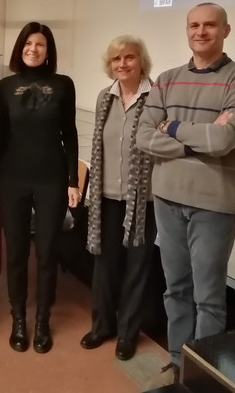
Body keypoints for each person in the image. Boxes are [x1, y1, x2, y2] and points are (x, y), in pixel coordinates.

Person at [136, 3, 235, 386]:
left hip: (214, 206)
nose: (201, 31)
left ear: (226, 29)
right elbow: (143, 136)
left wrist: (171, 125)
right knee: (176, 290)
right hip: (169, 199)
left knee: (208, 298)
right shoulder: (167, 79)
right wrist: (197, 139)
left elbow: (224, 139)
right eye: (194, 25)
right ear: (186, 30)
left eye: (210, 25)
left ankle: (203, 377)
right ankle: (178, 367)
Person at [0, 22, 79, 354]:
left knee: (46, 252)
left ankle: (42, 319)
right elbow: (2, 135)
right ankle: (18, 318)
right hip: (13, 177)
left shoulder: (63, 84)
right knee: (15, 252)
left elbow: (69, 133)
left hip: (52, 177)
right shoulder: (6, 85)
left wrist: (72, 180)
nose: (33, 49)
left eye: (40, 44)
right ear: (19, 48)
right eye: (28, 43)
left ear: (48, 50)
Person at [80, 36, 157, 361]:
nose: (123, 64)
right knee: (105, 265)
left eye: (129, 57)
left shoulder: (156, 98)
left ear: (142, 62)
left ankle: (127, 333)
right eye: (117, 59)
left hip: (143, 201)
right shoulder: (104, 98)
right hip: (106, 197)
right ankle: (102, 325)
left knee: (136, 268)